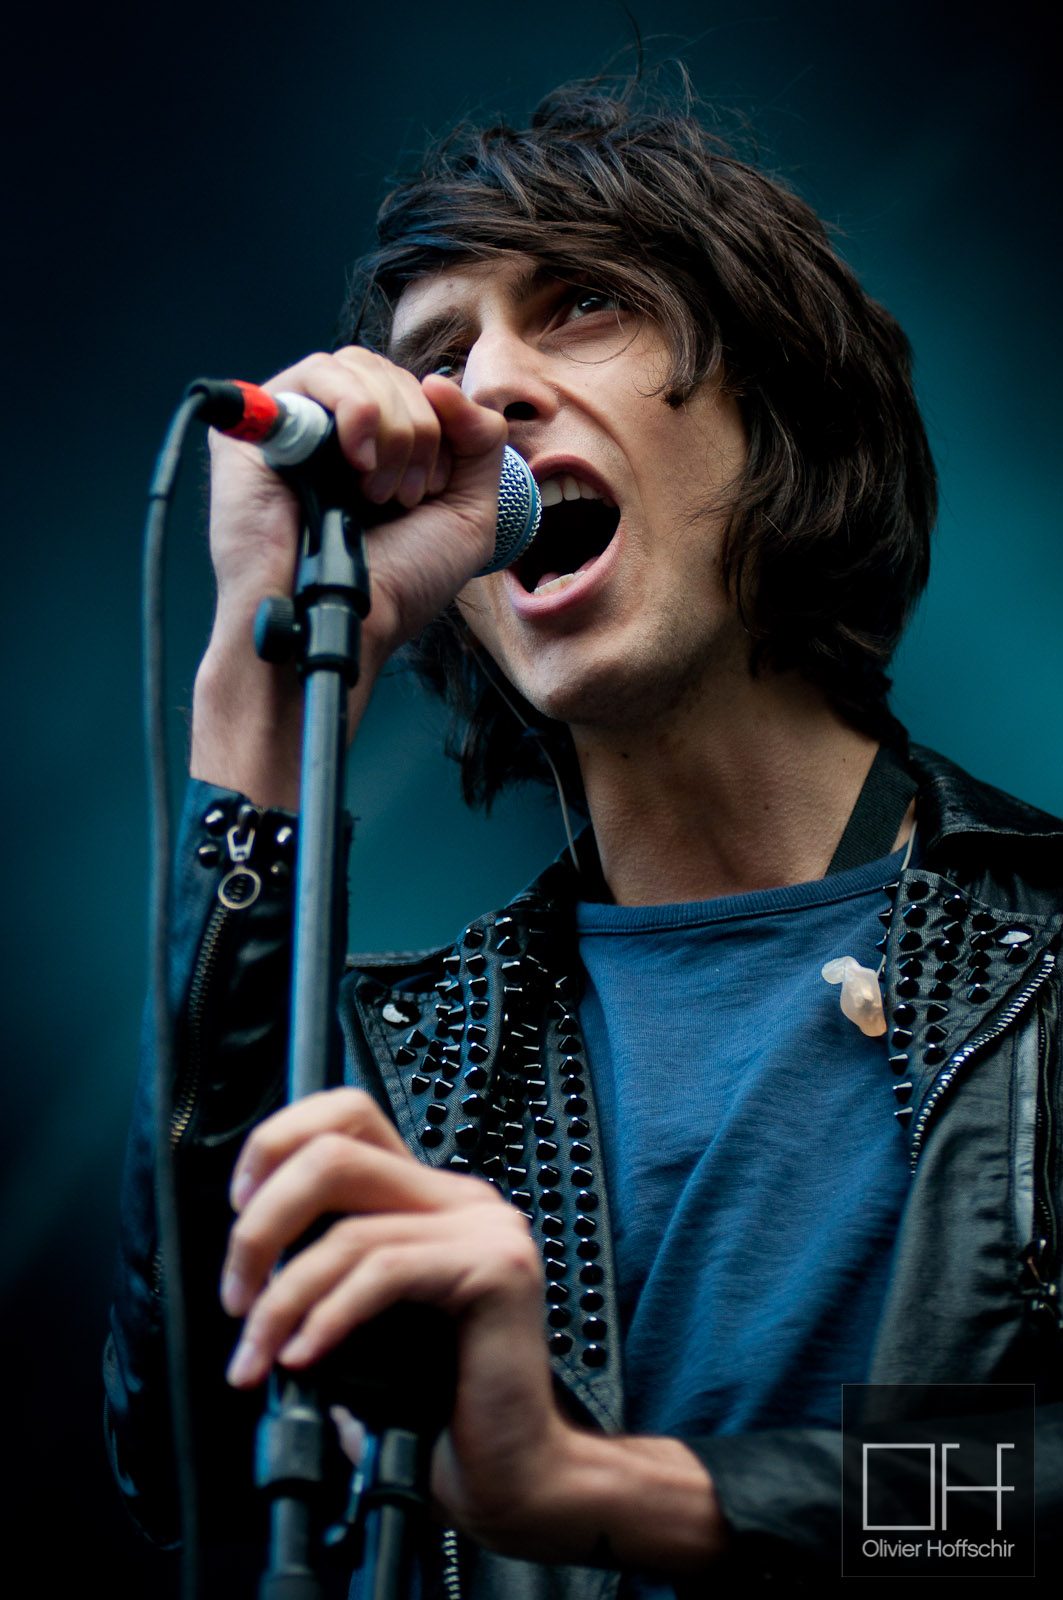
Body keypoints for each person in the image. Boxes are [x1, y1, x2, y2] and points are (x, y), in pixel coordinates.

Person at [104, 74, 1063, 1597]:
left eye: (583, 305)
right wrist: (261, 685)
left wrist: (603, 1491)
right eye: (437, 360)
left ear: (777, 408)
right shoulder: (396, 1071)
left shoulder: (1045, 962)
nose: (484, 388)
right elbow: (192, 1474)